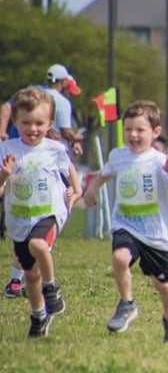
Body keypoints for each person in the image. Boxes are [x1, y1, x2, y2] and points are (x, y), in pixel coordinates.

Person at [82, 100, 168, 343]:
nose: (133, 135)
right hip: (126, 224)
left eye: (140, 130)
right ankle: (127, 304)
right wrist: (92, 190)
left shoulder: (161, 161)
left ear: (155, 132)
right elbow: (105, 172)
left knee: (162, 284)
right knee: (120, 258)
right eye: (128, 129)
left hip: (155, 234)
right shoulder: (118, 155)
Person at [0, 87, 81, 337]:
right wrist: (6, 173)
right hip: (20, 218)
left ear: (50, 123)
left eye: (39, 123)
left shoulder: (54, 149)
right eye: (26, 123)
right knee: (30, 275)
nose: (32, 129)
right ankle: (38, 316)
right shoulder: (7, 149)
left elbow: (70, 171)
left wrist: (75, 191)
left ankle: (52, 286)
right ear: (15, 121)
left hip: (49, 212)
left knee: (39, 244)